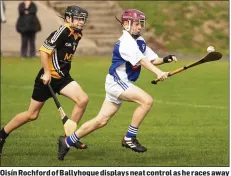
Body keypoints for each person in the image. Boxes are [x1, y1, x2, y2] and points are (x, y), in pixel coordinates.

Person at [57, 9, 175, 161]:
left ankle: (67, 141)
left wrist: (165, 60)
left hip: (118, 83)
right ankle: (129, 138)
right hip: (117, 83)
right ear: (126, 24)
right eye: (137, 24)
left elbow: (151, 59)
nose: (140, 27)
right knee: (147, 101)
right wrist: (158, 73)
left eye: (141, 24)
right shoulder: (126, 42)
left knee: (101, 120)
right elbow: (142, 61)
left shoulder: (139, 40)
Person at [0, 5, 88, 158]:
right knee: (32, 115)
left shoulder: (77, 34)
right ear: (68, 18)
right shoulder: (63, 31)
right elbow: (43, 50)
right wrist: (47, 72)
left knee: (83, 100)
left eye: (83, 19)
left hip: (63, 78)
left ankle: (69, 138)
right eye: (78, 18)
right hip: (47, 79)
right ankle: (2, 135)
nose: (81, 22)